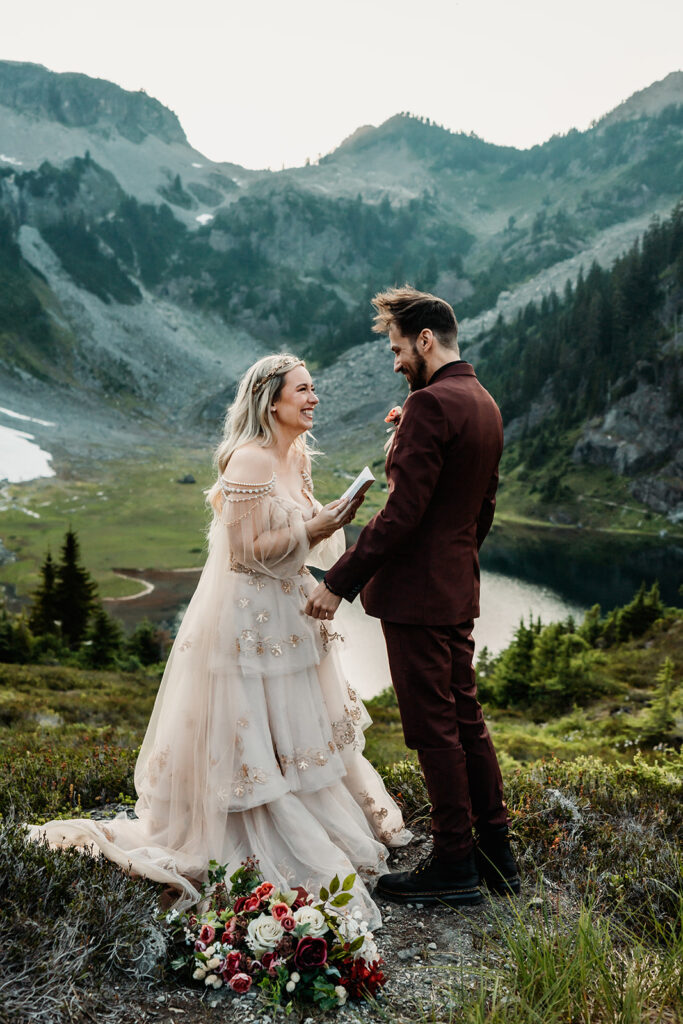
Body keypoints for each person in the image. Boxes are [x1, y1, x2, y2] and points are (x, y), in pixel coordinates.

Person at [28, 354, 410, 927]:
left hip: (292, 613)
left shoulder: (296, 455)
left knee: (295, 731)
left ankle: (311, 817)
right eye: (304, 391)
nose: (314, 399)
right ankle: (248, 834)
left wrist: (328, 518)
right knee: (251, 729)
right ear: (271, 400)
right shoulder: (250, 459)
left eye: (314, 390)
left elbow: (297, 541)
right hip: (248, 621)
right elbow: (241, 552)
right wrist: (315, 527)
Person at [306, 287, 519, 905]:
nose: (396, 361)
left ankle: (454, 864)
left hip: (418, 598)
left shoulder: (432, 405)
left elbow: (401, 515)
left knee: (433, 730)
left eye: (399, 349)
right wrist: (455, 561)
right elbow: (481, 507)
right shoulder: (483, 403)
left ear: (426, 340)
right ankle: (495, 853)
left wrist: (338, 583)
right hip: (455, 587)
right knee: (466, 720)